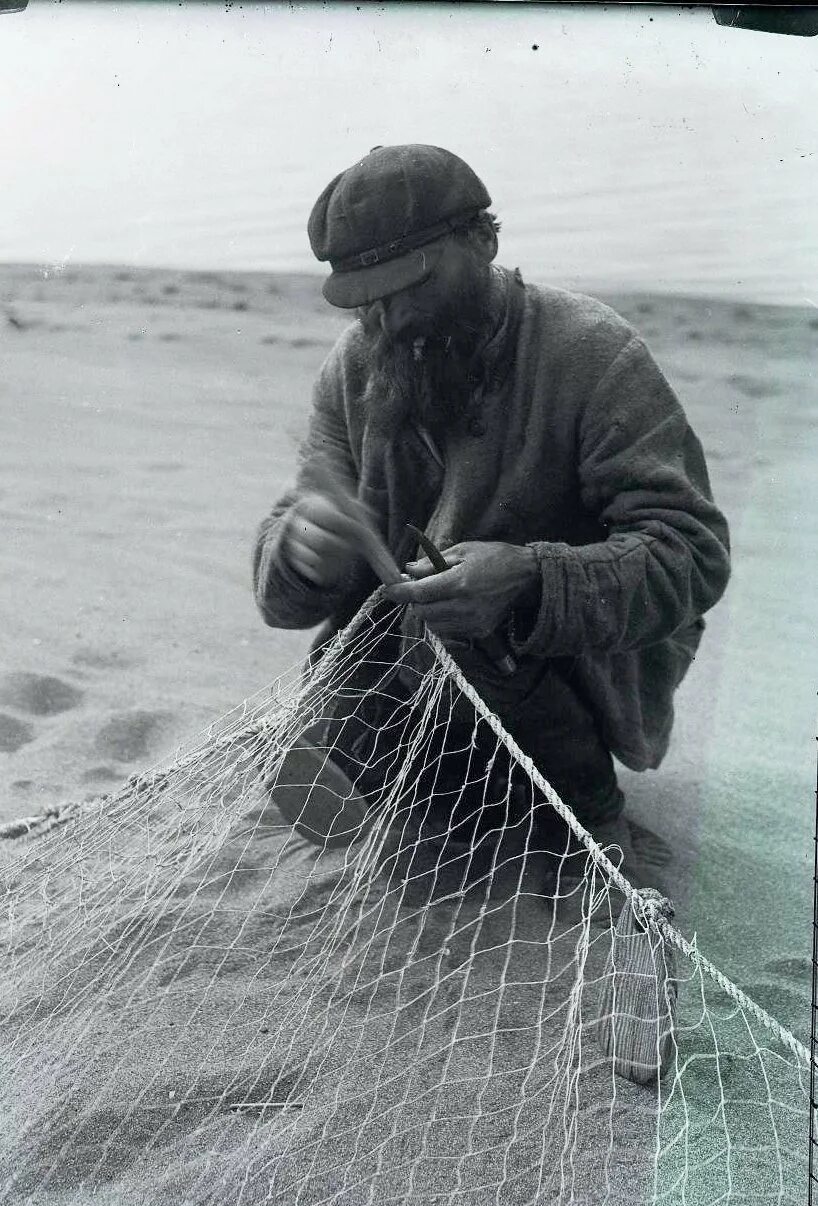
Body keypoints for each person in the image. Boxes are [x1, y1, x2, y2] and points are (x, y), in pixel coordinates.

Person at [252, 144, 731, 890]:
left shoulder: (592, 354)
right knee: (337, 744)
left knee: (470, 632)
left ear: (484, 240)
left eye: (415, 283)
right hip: (409, 667)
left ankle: (590, 807)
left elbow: (692, 554)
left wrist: (530, 577)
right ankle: (454, 779)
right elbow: (292, 555)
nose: (394, 317)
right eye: (366, 298)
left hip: (565, 671)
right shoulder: (355, 364)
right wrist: (301, 551)